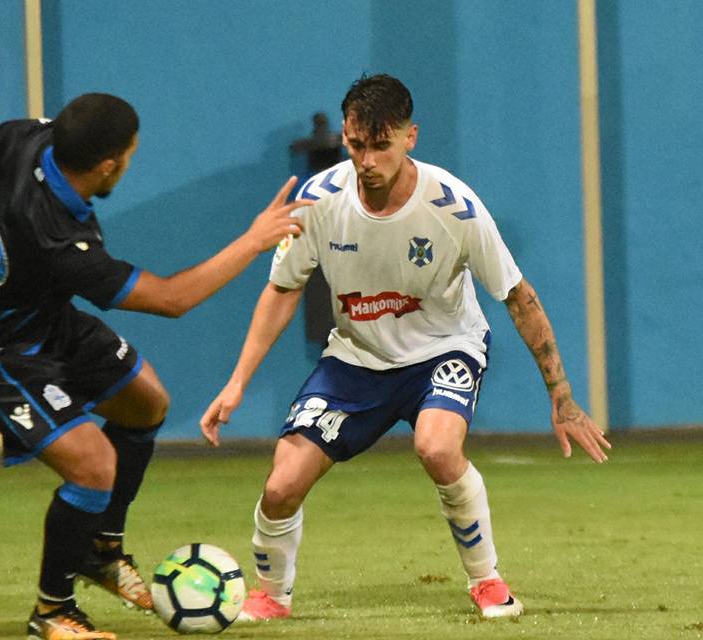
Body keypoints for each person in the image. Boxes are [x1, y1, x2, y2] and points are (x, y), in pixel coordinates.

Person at [0, 93, 310, 640]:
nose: (130, 163)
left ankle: (100, 549)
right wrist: (253, 241)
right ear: (108, 164)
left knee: (145, 401)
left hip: (43, 316)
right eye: (130, 155)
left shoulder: (24, 137)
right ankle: (53, 610)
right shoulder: (60, 237)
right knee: (93, 468)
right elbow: (171, 299)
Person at [199, 74, 611, 621]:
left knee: (437, 448)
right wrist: (238, 381)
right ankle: (271, 596)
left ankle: (488, 582)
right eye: (355, 144)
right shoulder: (319, 200)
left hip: (445, 349)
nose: (366, 160)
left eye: (381, 145)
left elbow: (519, 297)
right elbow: (282, 288)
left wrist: (561, 396)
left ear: (410, 137)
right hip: (355, 359)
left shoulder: (455, 209)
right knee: (280, 486)